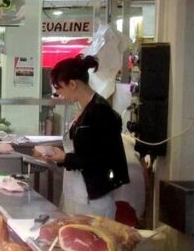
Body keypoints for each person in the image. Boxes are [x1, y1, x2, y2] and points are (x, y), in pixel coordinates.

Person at [38, 54, 129, 218]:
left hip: (93, 199)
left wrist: (65, 158)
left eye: (59, 89)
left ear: (72, 84)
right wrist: (58, 155)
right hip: (76, 193)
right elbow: (84, 148)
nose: (60, 95)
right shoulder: (83, 109)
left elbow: (102, 159)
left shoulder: (101, 112)